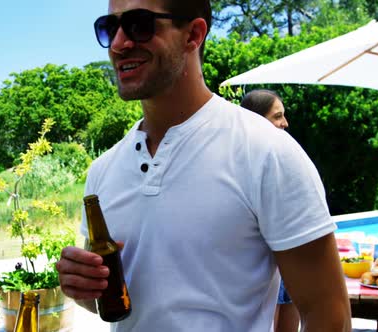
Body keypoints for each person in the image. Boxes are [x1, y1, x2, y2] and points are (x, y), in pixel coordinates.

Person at [55, 0, 351, 331]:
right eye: (110, 28)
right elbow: (108, 300)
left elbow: (329, 314)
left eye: (139, 25)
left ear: (193, 34)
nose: (119, 43)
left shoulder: (267, 152)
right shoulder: (103, 171)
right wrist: (83, 287)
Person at [241, 89, 298, 332]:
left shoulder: (285, 156)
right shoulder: (239, 164)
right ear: (256, 120)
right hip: (263, 268)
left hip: (289, 261)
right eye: (277, 116)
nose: (285, 123)